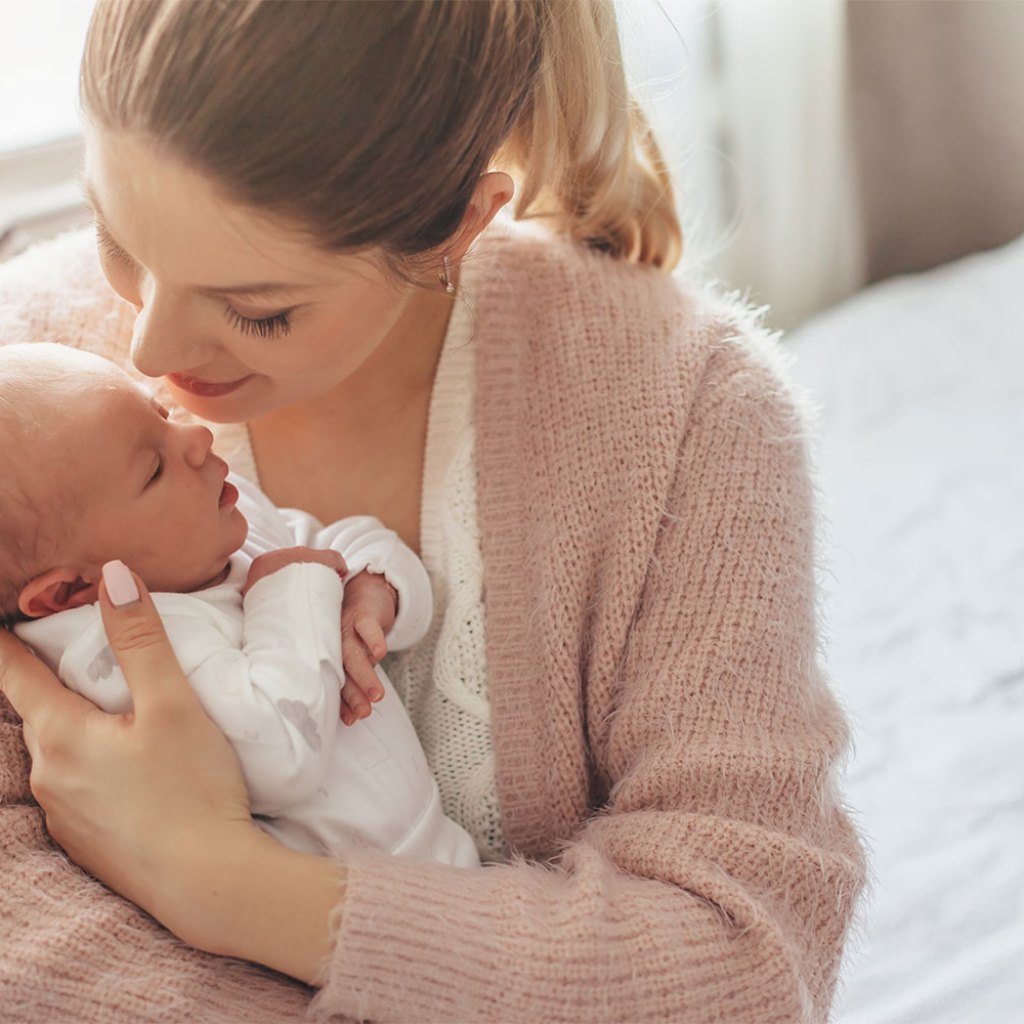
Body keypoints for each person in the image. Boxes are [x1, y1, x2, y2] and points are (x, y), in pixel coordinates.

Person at [0, 1, 866, 1021]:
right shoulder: (26, 381)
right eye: (116, 236)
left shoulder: (689, 413)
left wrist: (221, 885)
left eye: (259, 310)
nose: (149, 349)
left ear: (461, 221)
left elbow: (744, 960)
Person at [2, 342, 479, 868]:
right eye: (154, 469)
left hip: (438, 846)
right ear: (67, 593)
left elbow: (345, 541)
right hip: (327, 890)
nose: (197, 438)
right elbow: (280, 758)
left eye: (162, 415)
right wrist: (288, 591)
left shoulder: (216, 528)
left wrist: (372, 589)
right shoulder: (113, 656)